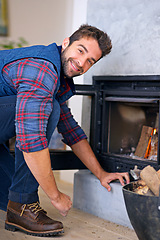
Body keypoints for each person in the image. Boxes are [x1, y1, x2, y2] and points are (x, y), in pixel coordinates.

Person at [0, 24, 130, 237]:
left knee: (10, 198)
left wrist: (101, 174)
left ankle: (19, 207)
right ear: (66, 42)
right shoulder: (42, 69)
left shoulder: (59, 79)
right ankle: (22, 206)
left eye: (91, 61)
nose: (82, 63)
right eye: (81, 50)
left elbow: (71, 132)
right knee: (49, 111)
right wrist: (56, 196)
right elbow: (31, 139)